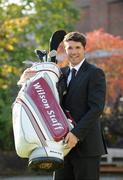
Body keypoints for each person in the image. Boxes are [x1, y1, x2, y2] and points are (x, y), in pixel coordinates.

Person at [53, 31, 107, 180]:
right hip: (62, 147)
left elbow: (96, 108)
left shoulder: (95, 73)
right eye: (70, 48)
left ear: (84, 49)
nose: (74, 52)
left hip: (87, 146)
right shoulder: (59, 73)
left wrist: (76, 134)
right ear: (65, 49)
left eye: (77, 47)